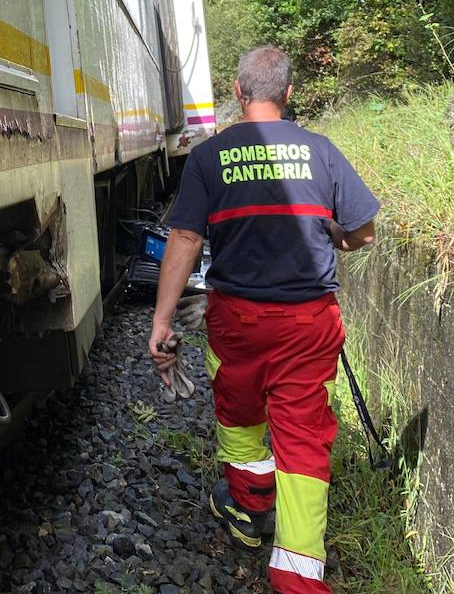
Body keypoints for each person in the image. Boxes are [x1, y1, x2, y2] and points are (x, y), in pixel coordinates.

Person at [148, 45, 379, 594]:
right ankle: (297, 578)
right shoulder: (320, 151)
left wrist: (161, 321)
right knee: (301, 441)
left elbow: (184, 236)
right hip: (307, 323)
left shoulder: (209, 156)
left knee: (239, 412)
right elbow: (363, 231)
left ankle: (250, 514)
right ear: (288, 93)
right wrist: (337, 237)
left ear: (238, 92)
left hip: (238, 322)